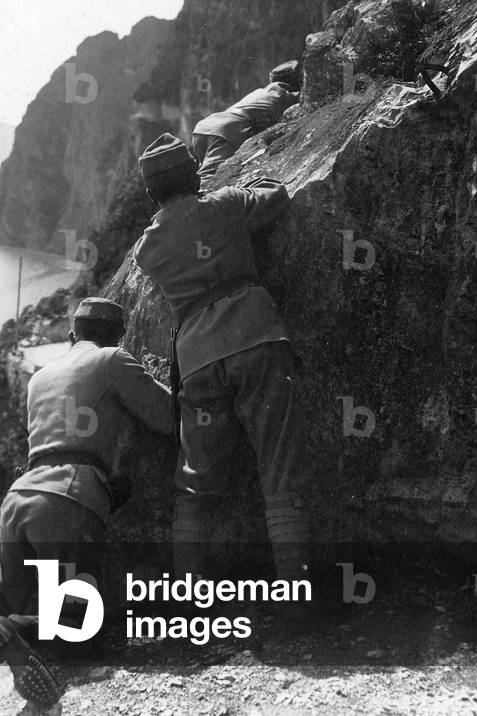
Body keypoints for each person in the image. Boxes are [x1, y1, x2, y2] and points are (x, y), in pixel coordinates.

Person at [0, 297, 173, 707]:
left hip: (20, 499)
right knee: (81, 628)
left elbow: (61, 439)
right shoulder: (113, 359)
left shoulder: (40, 376)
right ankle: (18, 629)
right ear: (118, 336)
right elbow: (166, 416)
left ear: (72, 335)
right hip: (70, 500)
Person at [132, 133, 312, 602]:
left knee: (195, 484)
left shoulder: (147, 250)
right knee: (279, 469)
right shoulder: (225, 204)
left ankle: (189, 605)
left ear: (152, 192)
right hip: (256, 337)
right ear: (193, 174)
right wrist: (260, 177)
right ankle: (299, 606)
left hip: (197, 361)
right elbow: (275, 196)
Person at [191, 60, 302, 178]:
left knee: (200, 177)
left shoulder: (259, 92)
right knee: (209, 179)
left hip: (204, 127)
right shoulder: (282, 94)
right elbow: (307, 97)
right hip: (226, 131)